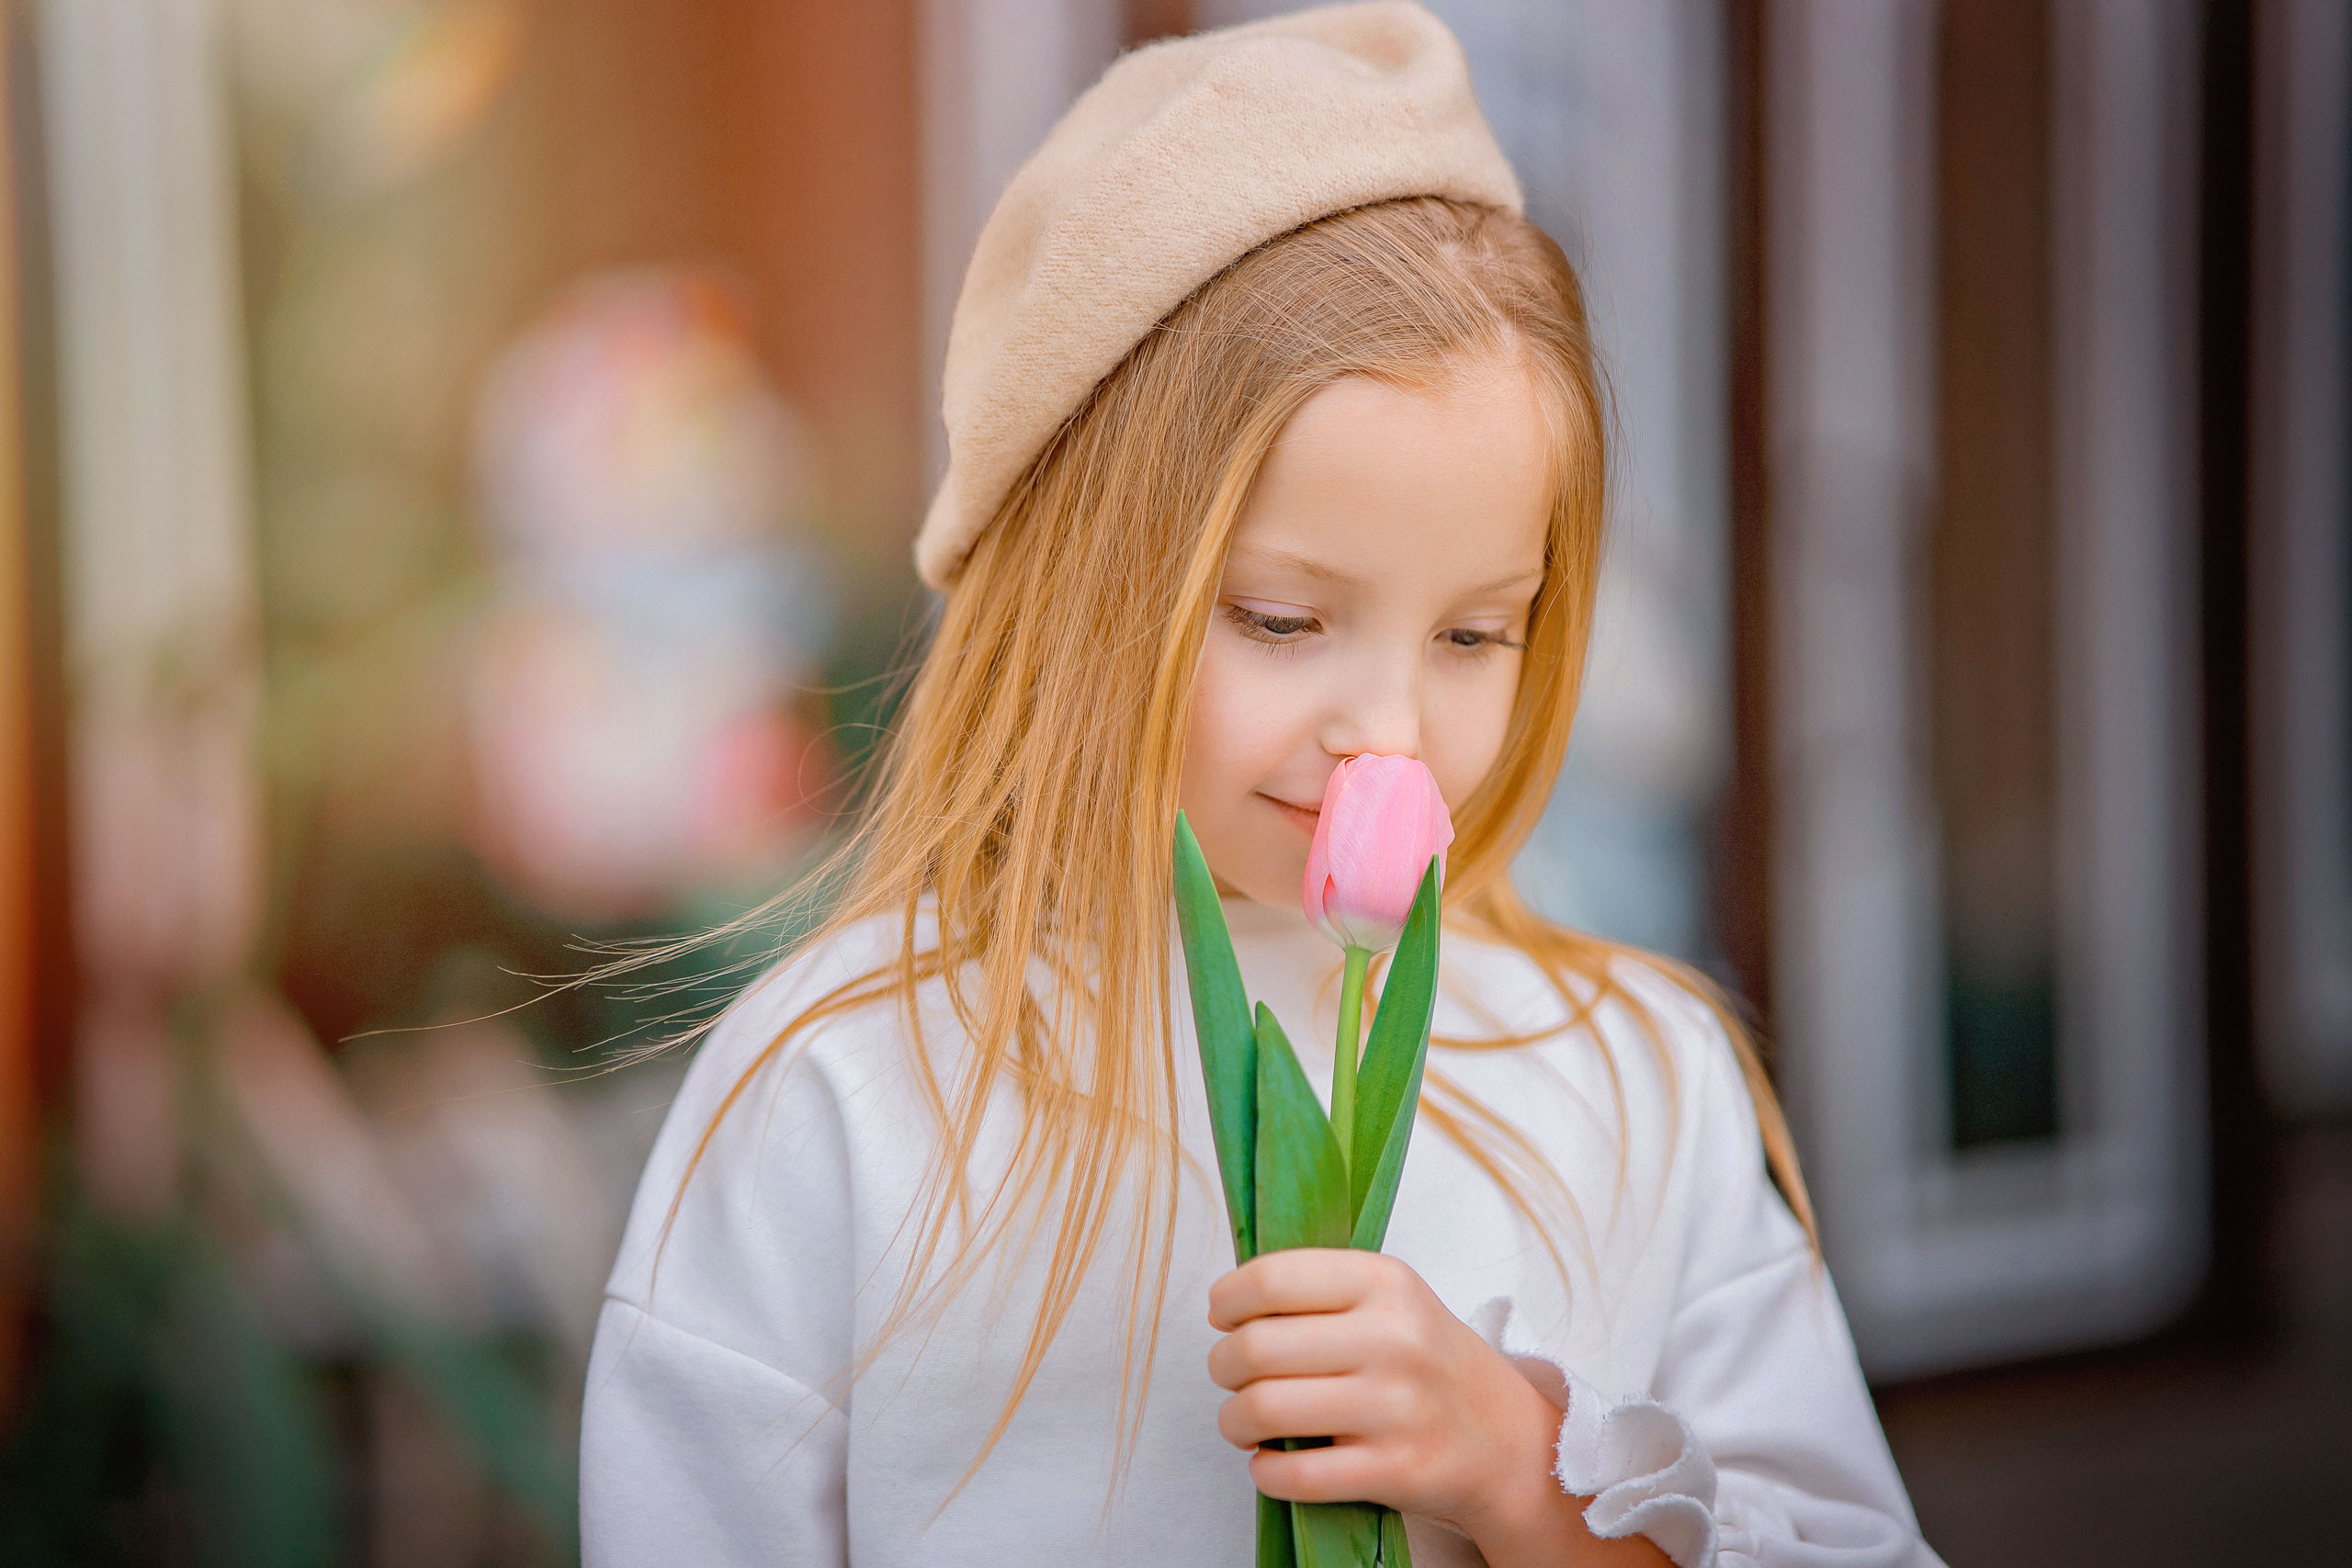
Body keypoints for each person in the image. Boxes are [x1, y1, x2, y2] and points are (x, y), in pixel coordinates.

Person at [580, 6, 1943, 1565]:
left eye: (1475, 632)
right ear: (1070, 588)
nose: (1391, 730)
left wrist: (1521, 1473)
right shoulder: (842, 1097)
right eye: (1283, 619)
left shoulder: (1631, 1079)